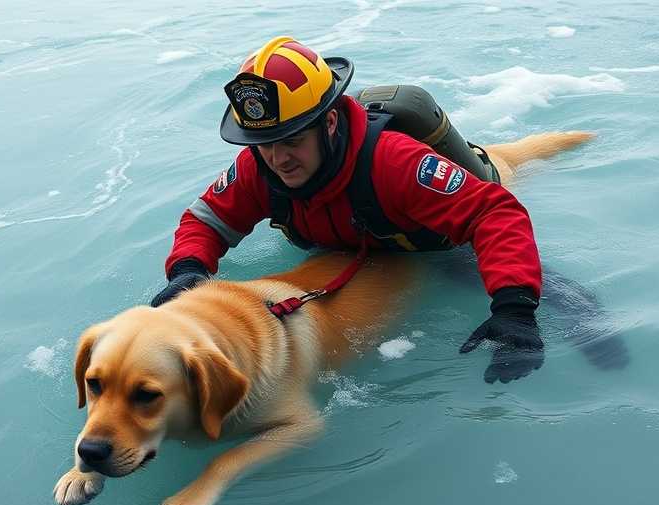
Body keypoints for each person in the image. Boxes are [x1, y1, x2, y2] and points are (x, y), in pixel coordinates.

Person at [150, 36, 549, 384]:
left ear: (330, 122)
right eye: (264, 142)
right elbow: (206, 221)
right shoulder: (258, 167)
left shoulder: (395, 164)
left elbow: (495, 214)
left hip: (439, 246)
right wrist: (187, 270)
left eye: (292, 139)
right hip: (357, 244)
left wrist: (515, 307)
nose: (278, 158)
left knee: (559, 305)